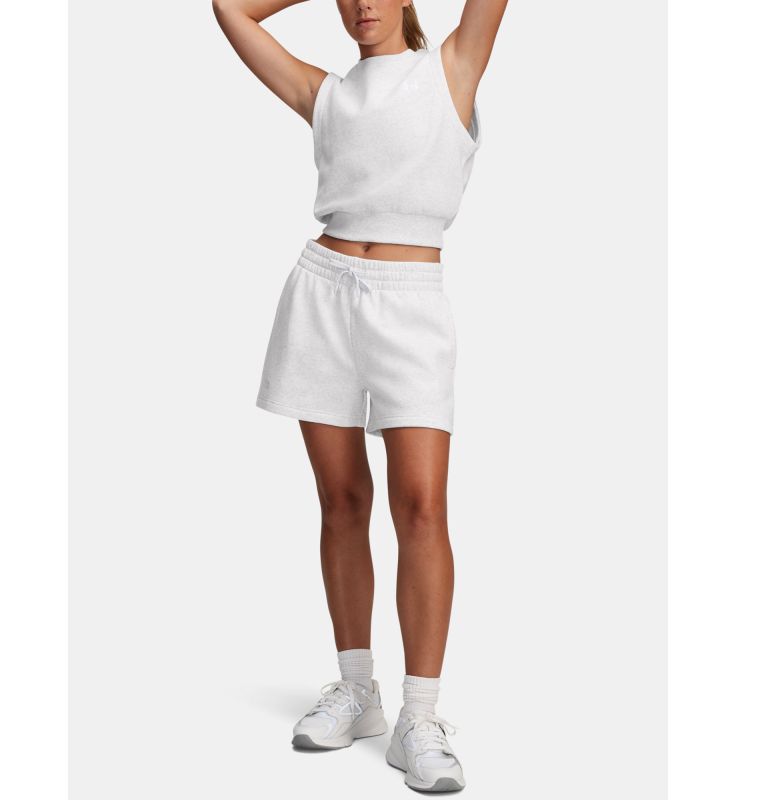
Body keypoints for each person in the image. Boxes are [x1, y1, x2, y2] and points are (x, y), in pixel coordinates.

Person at [213, 0, 508, 791]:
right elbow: (230, 7)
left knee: (421, 507)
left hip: (411, 303)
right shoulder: (326, 95)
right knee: (342, 500)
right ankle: (357, 690)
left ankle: (420, 716)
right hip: (321, 294)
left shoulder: (452, 68)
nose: (361, 5)